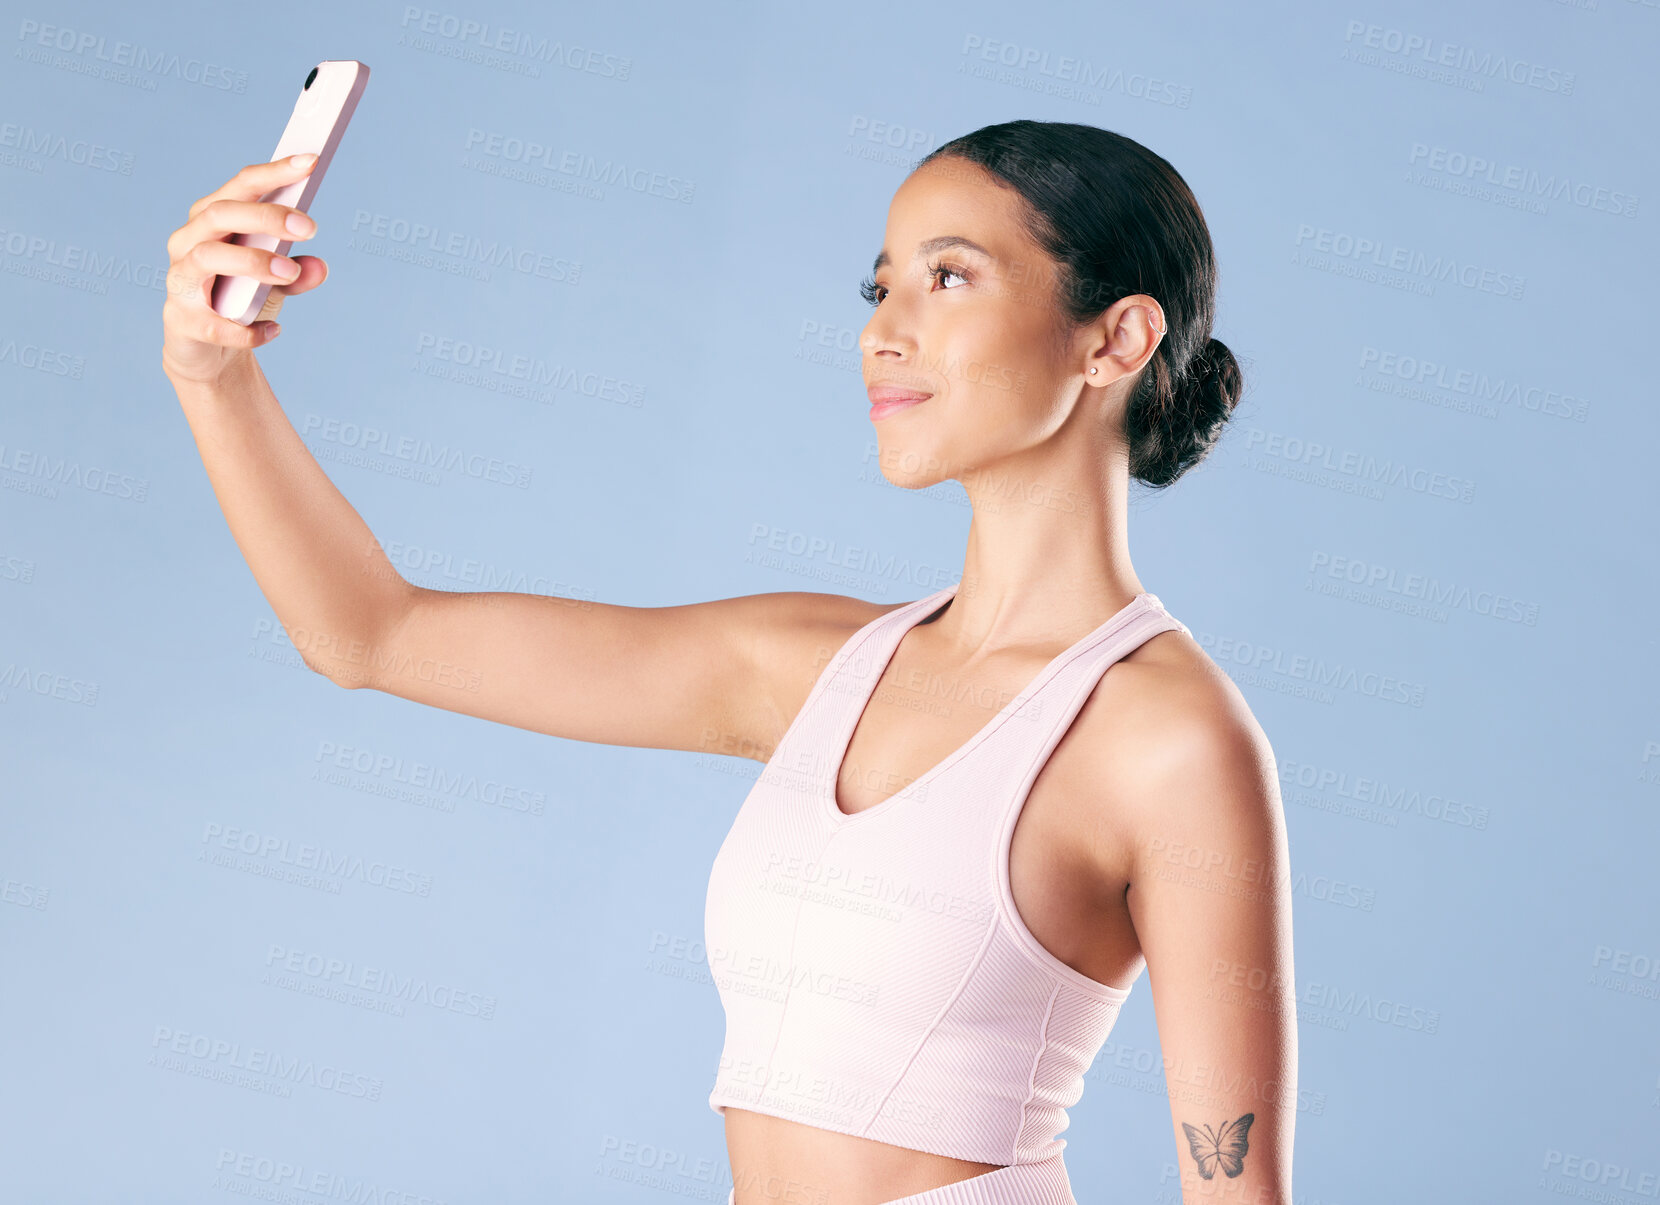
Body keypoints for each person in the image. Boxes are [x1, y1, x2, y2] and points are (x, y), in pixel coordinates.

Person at [161, 118, 1293, 1205]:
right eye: (880, 284)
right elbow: (367, 633)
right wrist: (212, 376)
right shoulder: (806, 668)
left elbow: (1231, 1183)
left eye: (948, 278)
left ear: (1117, 338)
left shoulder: (1167, 737)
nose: (882, 328)